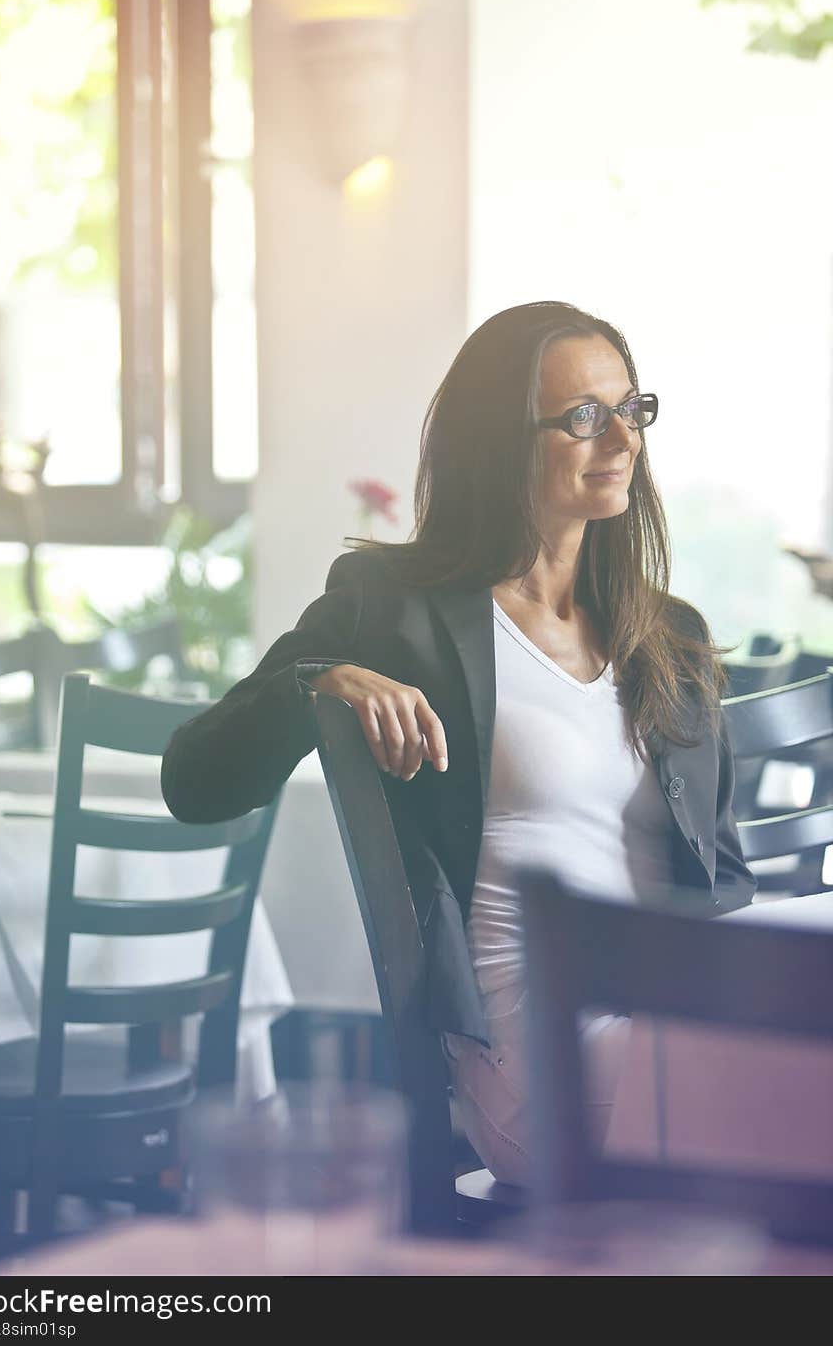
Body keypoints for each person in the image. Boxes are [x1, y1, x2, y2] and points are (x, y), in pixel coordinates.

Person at [161, 300, 756, 1185]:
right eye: (583, 417)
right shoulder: (392, 605)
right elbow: (195, 780)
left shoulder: (668, 634)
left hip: (662, 1023)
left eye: (630, 410)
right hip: (532, 1060)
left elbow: (725, 880)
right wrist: (313, 681)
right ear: (497, 441)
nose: (622, 439)